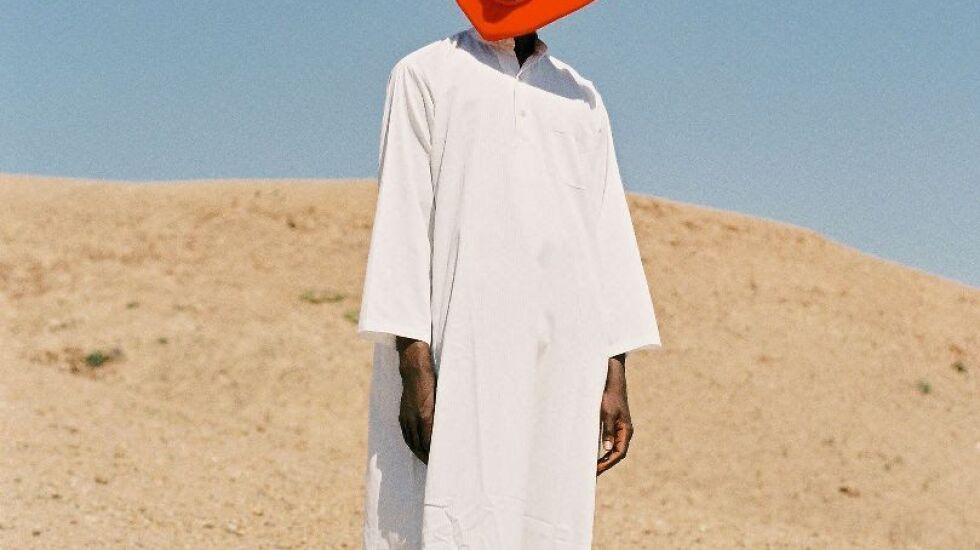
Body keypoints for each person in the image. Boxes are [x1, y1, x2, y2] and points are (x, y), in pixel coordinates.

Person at [357, 2, 662, 548]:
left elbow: (607, 231)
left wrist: (614, 369)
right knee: (447, 512)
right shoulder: (424, 74)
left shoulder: (580, 96)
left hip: (563, 353)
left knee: (548, 514)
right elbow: (403, 215)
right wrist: (413, 362)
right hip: (459, 346)